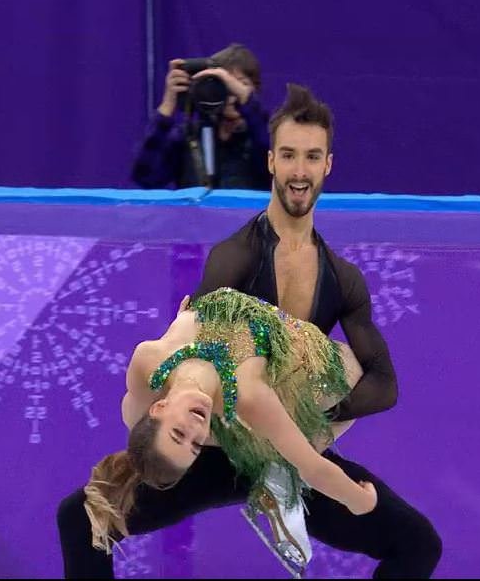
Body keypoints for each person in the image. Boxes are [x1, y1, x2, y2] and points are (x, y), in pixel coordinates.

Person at [59, 84, 441, 579]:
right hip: (209, 448)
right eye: (289, 155)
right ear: (270, 161)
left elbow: (384, 386)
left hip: (284, 448)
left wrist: (303, 424)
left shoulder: (343, 279)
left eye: (311, 156)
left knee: (418, 545)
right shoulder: (235, 257)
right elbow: (189, 362)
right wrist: (182, 429)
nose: (299, 170)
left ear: (327, 165)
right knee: (81, 519)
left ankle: (279, 481)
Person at [84, 287, 372, 570]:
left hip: (262, 332)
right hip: (287, 362)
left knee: (132, 413)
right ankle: (275, 464)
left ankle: (273, 464)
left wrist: (359, 502)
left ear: (159, 407)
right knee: (352, 381)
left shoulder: (146, 360)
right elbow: (312, 468)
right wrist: (359, 499)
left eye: (179, 433)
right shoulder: (249, 397)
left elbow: (138, 418)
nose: (195, 430)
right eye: (195, 445)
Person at [131, 43, 271, 190]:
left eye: (239, 84)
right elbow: (145, 178)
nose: (231, 94)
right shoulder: (189, 137)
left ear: (255, 89)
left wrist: (246, 100)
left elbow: (273, 158)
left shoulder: (261, 136)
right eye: (223, 85)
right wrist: (167, 107)